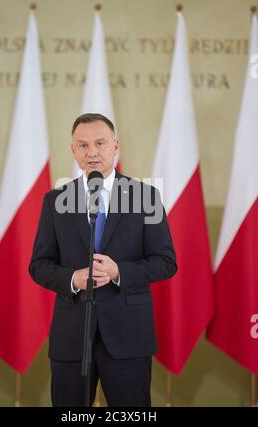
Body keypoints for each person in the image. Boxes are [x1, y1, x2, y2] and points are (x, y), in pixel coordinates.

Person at [29, 113, 177, 407]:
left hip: (128, 337)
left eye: (100, 143)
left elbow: (166, 261)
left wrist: (118, 271)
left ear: (115, 146)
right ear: (73, 151)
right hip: (72, 338)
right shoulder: (55, 200)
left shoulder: (144, 196)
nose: (92, 152)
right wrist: (74, 279)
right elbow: (39, 265)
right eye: (83, 145)